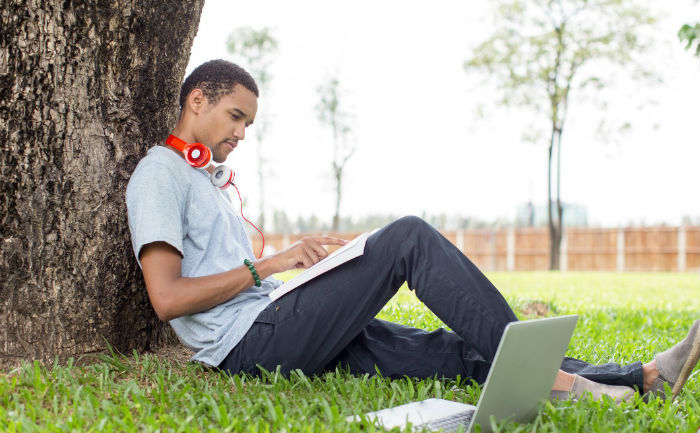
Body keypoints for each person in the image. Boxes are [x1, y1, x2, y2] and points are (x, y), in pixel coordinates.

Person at [125, 59, 699, 403]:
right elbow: (168, 299)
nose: (243, 134)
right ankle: (545, 378)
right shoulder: (160, 174)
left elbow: (238, 273)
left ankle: (644, 378)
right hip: (250, 343)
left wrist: (315, 265)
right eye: (236, 117)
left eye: (249, 123)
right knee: (407, 237)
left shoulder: (211, 181)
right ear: (197, 100)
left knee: (452, 351)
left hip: (281, 318)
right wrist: (271, 264)